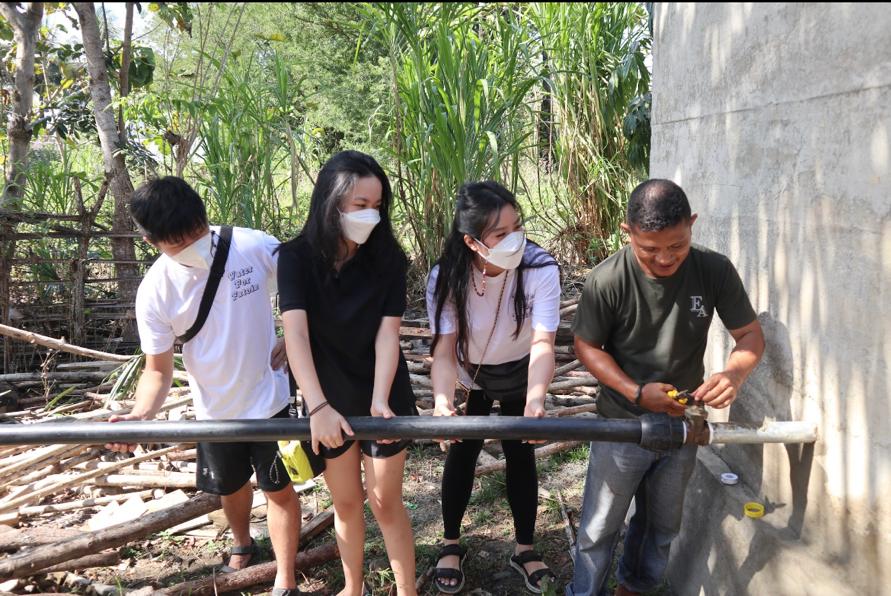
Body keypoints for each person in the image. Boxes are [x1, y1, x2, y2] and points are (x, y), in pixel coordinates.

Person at [567, 179, 765, 596]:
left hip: (682, 423)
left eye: (677, 245)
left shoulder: (714, 270)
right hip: (622, 422)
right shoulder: (607, 280)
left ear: (692, 224)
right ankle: (584, 592)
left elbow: (749, 336)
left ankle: (635, 589)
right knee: (599, 526)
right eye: (649, 248)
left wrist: (733, 375)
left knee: (662, 524)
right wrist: (636, 392)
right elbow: (587, 346)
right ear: (628, 232)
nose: (664, 258)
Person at [108, 176, 302, 596]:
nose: (194, 244)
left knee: (279, 489)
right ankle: (243, 541)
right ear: (150, 240)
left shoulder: (253, 246)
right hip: (214, 409)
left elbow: (308, 286)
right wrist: (141, 415)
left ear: (204, 216)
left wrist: (297, 336)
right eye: (178, 241)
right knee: (229, 487)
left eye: (196, 232)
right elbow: (157, 370)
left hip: (270, 399)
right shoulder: (155, 292)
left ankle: (285, 579)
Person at [277, 150, 418, 596]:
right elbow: (296, 335)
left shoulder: (389, 259)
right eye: (360, 205)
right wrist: (317, 406)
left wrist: (380, 400)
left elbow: (386, 335)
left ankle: (407, 591)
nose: (370, 215)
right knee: (346, 501)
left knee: (385, 501)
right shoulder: (296, 258)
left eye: (377, 206)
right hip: (327, 396)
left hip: (383, 390)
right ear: (331, 202)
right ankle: (352, 587)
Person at [427, 181, 562, 594]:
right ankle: (450, 543)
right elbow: (445, 350)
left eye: (518, 227)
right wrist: (441, 402)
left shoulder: (540, 268)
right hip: (474, 376)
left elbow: (543, 343)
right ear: (472, 242)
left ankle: (524, 548)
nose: (514, 240)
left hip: (523, 372)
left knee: (521, 454)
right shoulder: (446, 278)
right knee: (462, 452)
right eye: (501, 234)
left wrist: (536, 402)